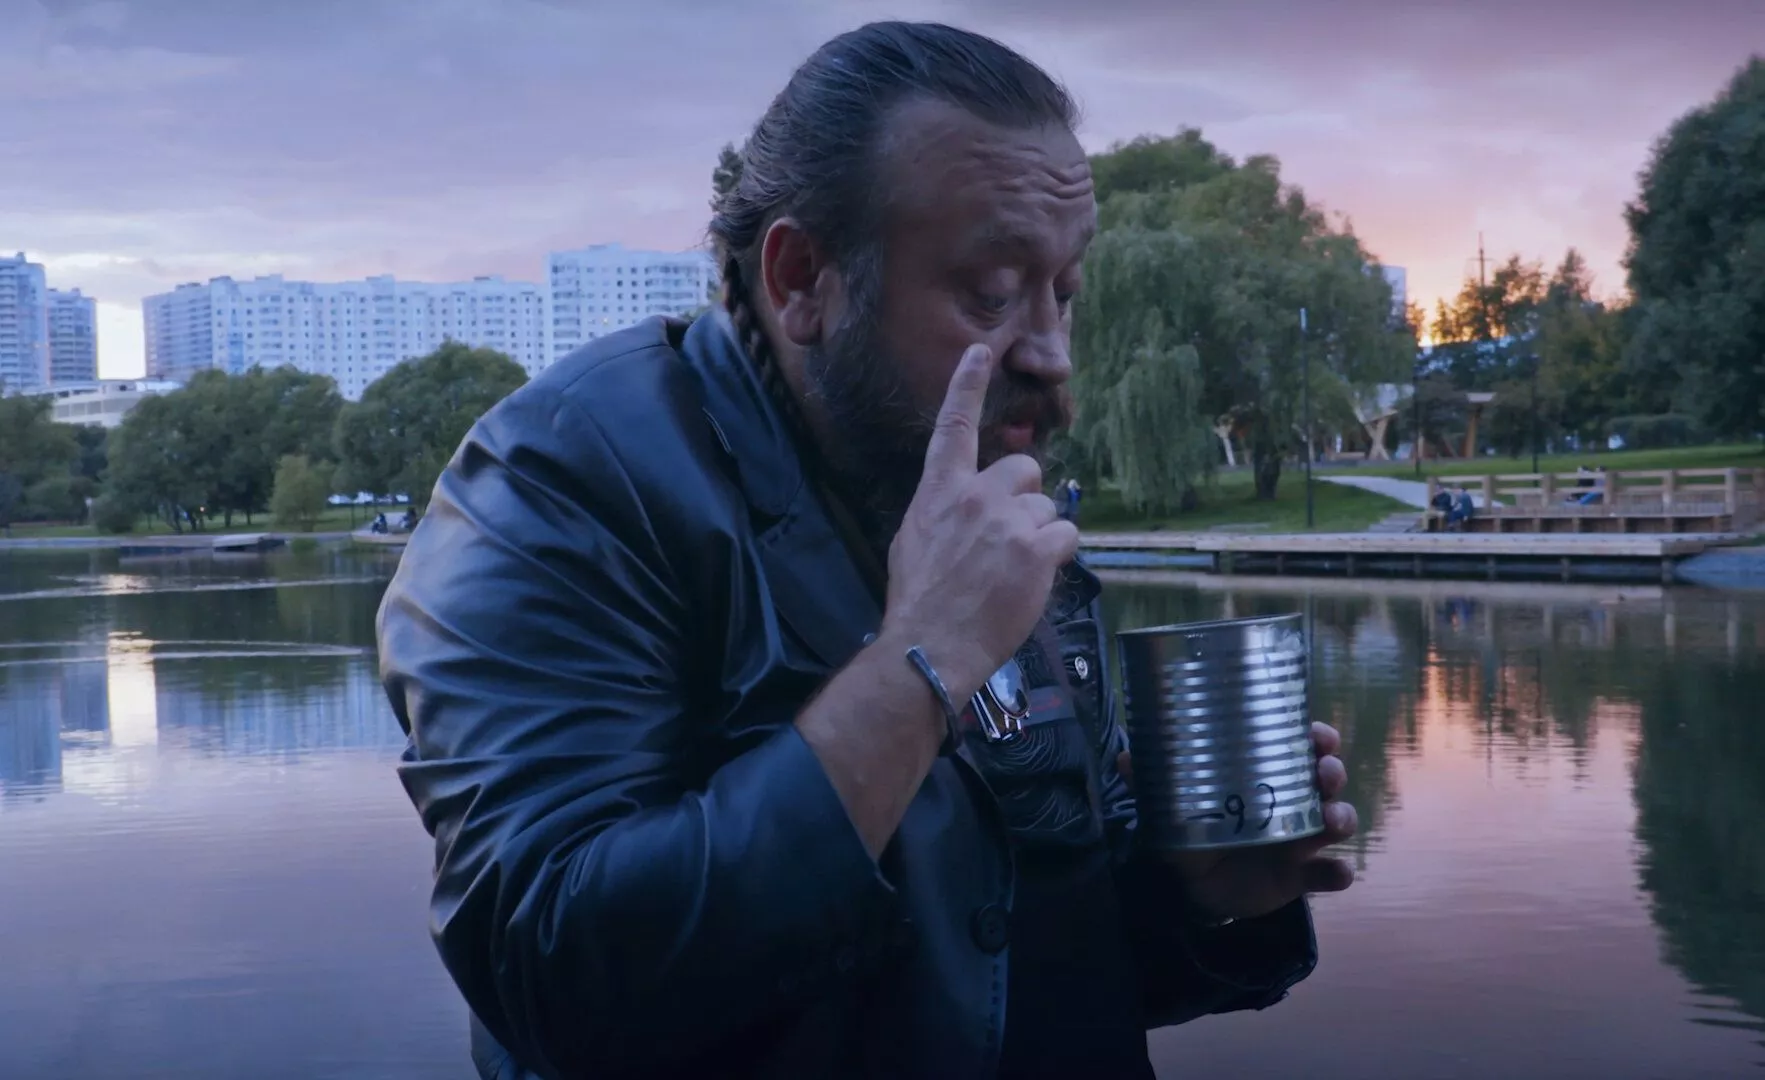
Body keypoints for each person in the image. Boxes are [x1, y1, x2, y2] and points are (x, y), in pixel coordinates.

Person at [377, 22, 1357, 1080]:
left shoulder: (966, 470)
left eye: (1064, 293)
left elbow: (1022, 938)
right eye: (992, 292)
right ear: (802, 277)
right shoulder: (558, 482)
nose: (1050, 354)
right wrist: (919, 665)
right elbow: (550, 974)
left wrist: (1199, 894)